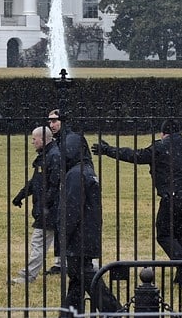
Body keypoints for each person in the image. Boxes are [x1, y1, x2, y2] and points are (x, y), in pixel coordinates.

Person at [91, 119, 182, 289]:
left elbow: (135, 156)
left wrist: (108, 150)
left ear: (163, 134)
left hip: (172, 197)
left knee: (164, 234)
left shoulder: (160, 147)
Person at [60, 130, 121, 313]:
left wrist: (63, 234)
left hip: (78, 236)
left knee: (85, 276)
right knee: (78, 280)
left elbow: (71, 209)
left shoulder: (75, 174)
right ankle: (70, 313)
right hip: (87, 233)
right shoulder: (87, 171)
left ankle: (113, 310)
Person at [10, 126, 61, 284]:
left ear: (43, 139)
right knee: (66, 239)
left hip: (50, 209)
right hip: (50, 208)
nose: (32, 142)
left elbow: (54, 185)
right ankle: (89, 267)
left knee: (38, 242)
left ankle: (28, 275)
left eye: (34, 139)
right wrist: (21, 195)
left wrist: (44, 205)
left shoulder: (52, 157)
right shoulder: (47, 156)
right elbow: (35, 182)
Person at [44, 109, 64, 276]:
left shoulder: (69, 140)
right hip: (58, 190)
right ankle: (59, 261)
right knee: (58, 224)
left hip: (68, 188)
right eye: (50, 122)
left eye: (55, 121)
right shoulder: (55, 142)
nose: (52, 125)